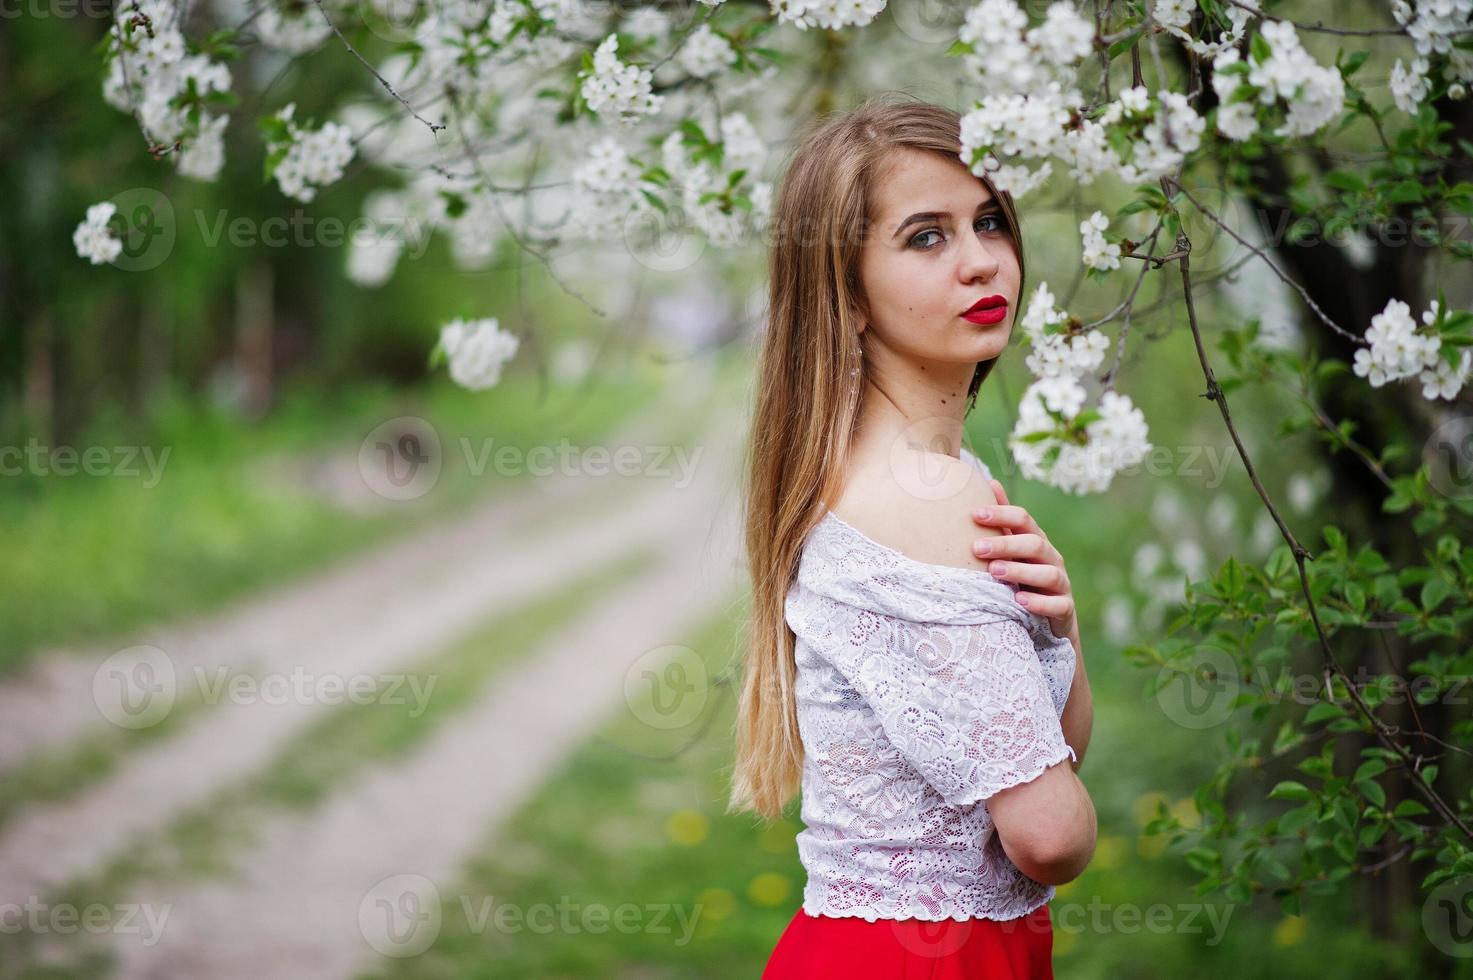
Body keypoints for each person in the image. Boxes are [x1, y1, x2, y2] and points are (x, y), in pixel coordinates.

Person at [727, 94, 1097, 979]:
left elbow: (1052, 750)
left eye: (989, 222)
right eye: (925, 236)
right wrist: (1074, 820)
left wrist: (1061, 627)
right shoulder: (921, 498)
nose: (980, 263)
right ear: (846, 296)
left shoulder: (908, 478)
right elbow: (1048, 833)